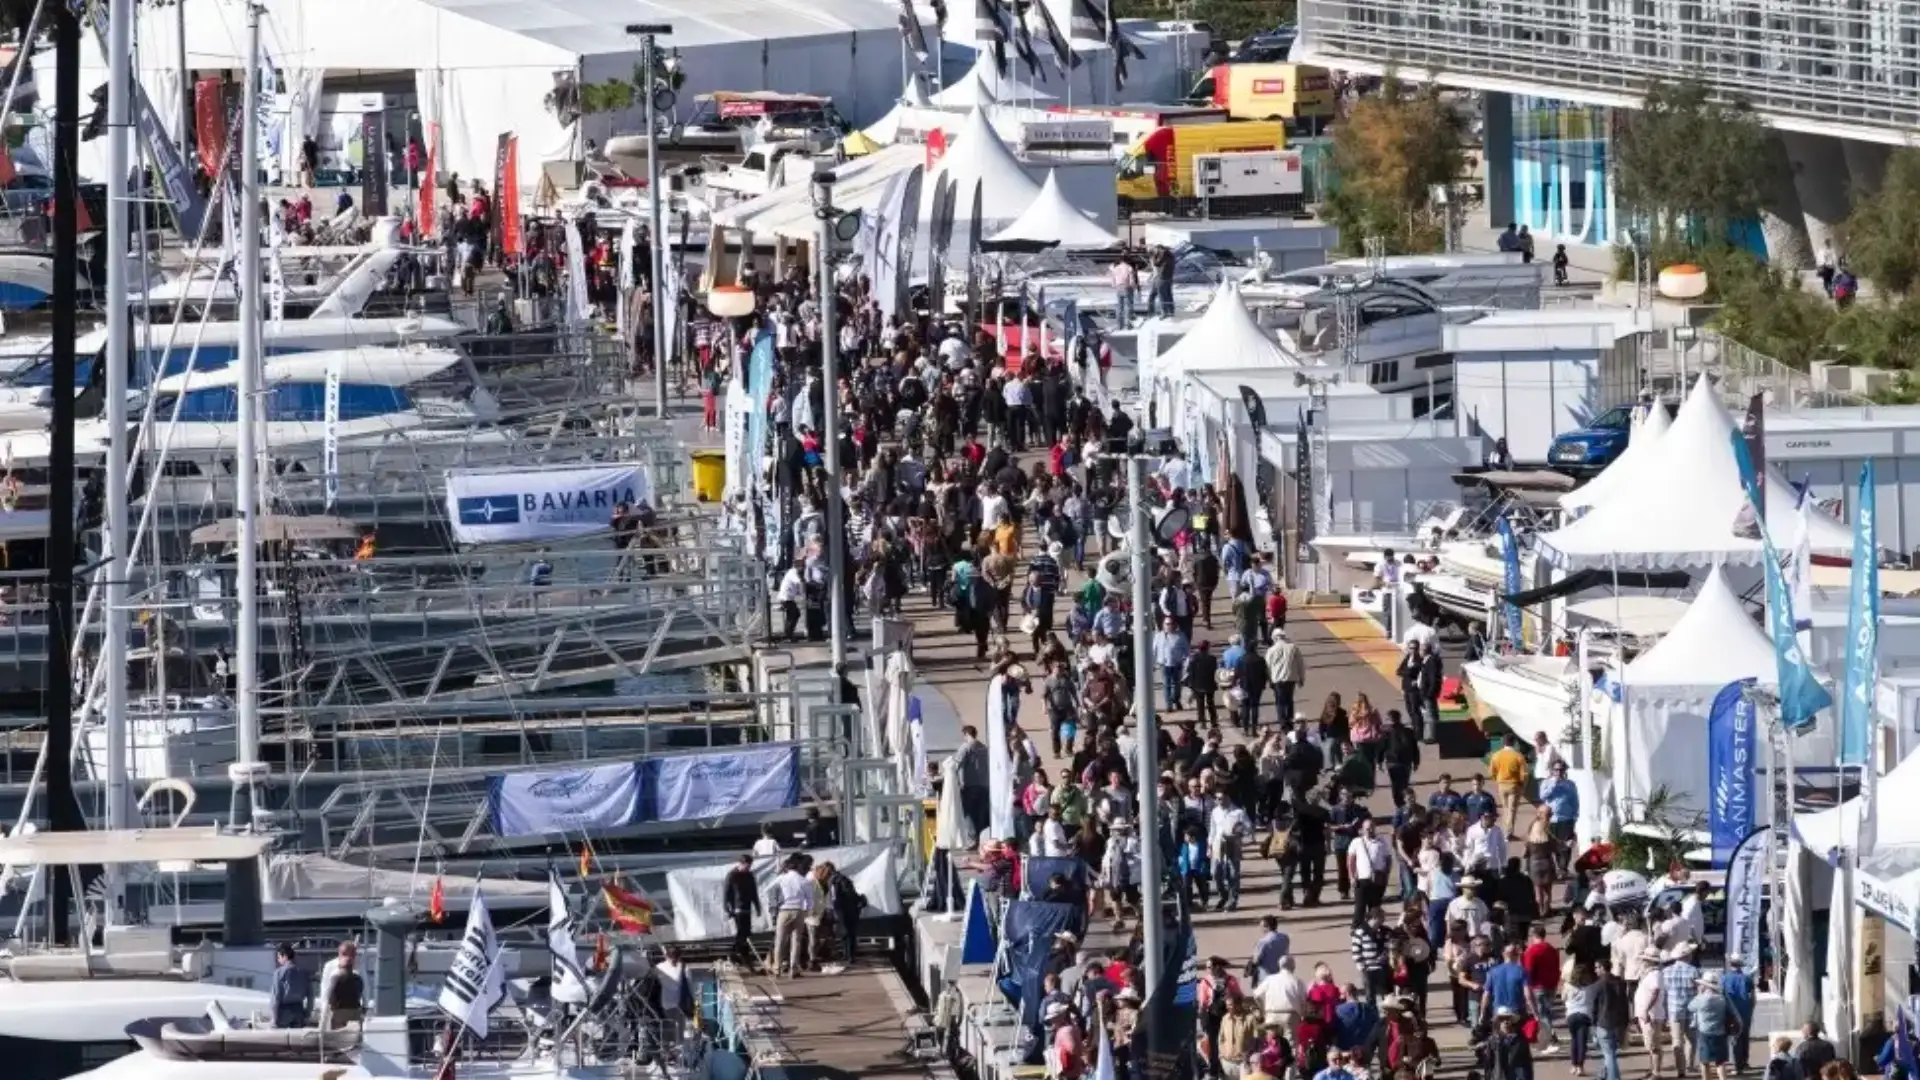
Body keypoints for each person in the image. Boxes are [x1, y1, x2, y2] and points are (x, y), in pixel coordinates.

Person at [769, 856, 814, 977]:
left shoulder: (782, 878)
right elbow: (810, 899)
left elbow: (769, 888)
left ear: (787, 868)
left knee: (780, 940)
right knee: (797, 940)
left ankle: (777, 968)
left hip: (784, 910)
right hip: (799, 910)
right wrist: (807, 911)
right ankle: (793, 968)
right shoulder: (803, 880)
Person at [1688, 971, 1737, 1080]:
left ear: (1704, 985)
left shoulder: (1701, 999)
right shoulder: (1722, 998)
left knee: (1704, 1062)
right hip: (1721, 1031)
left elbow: (1690, 1007)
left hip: (1705, 1032)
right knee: (1720, 1062)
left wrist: (1699, 994)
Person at [1487, 735, 1531, 833]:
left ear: (1503, 742)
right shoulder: (1518, 756)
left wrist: (1497, 780)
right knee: (1512, 810)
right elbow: (1524, 774)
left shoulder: (1496, 755)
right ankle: (1508, 831)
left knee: (1505, 808)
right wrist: (1523, 785)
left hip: (1501, 784)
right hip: (1514, 785)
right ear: (1514, 742)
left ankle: (1504, 829)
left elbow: (1491, 772)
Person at [724, 852, 761, 966]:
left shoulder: (749, 876)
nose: (748, 868)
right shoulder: (732, 875)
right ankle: (739, 955)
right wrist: (728, 908)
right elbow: (727, 893)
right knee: (741, 933)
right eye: (747, 866)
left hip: (747, 907)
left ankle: (737, 954)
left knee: (747, 933)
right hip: (737, 907)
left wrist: (757, 906)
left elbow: (754, 892)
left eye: (749, 866)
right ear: (741, 863)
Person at [318, 941, 364, 1029]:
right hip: (337, 1010)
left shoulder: (358, 968)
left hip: (354, 1009)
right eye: (353, 955)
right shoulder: (331, 968)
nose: (354, 957)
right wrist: (324, 1014)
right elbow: (326, 991)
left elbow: (364, 990)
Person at [1721, 956, 1755, 1074]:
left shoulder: (1724, 978)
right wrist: (1751, 1009)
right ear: (1741, 965)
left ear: (1730, 965)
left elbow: (1722, 995)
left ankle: (1736, 1065)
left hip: (1729, 1011)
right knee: (1744, 1037)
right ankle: (1744, 1062)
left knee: (1733, 1038)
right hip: (1745, 1011)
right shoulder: (1747, 978)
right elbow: (1752, 996)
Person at [270, 942, 311, 1029]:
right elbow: (311, 995)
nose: (278, 960)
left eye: (279, 957)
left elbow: (276, 996)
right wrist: (307, 1013)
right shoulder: (304, 973)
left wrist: (274, 1017)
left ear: (284, 956)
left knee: (282, 1040)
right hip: (299, 1011)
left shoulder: (279, 973)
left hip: (284, 1011)